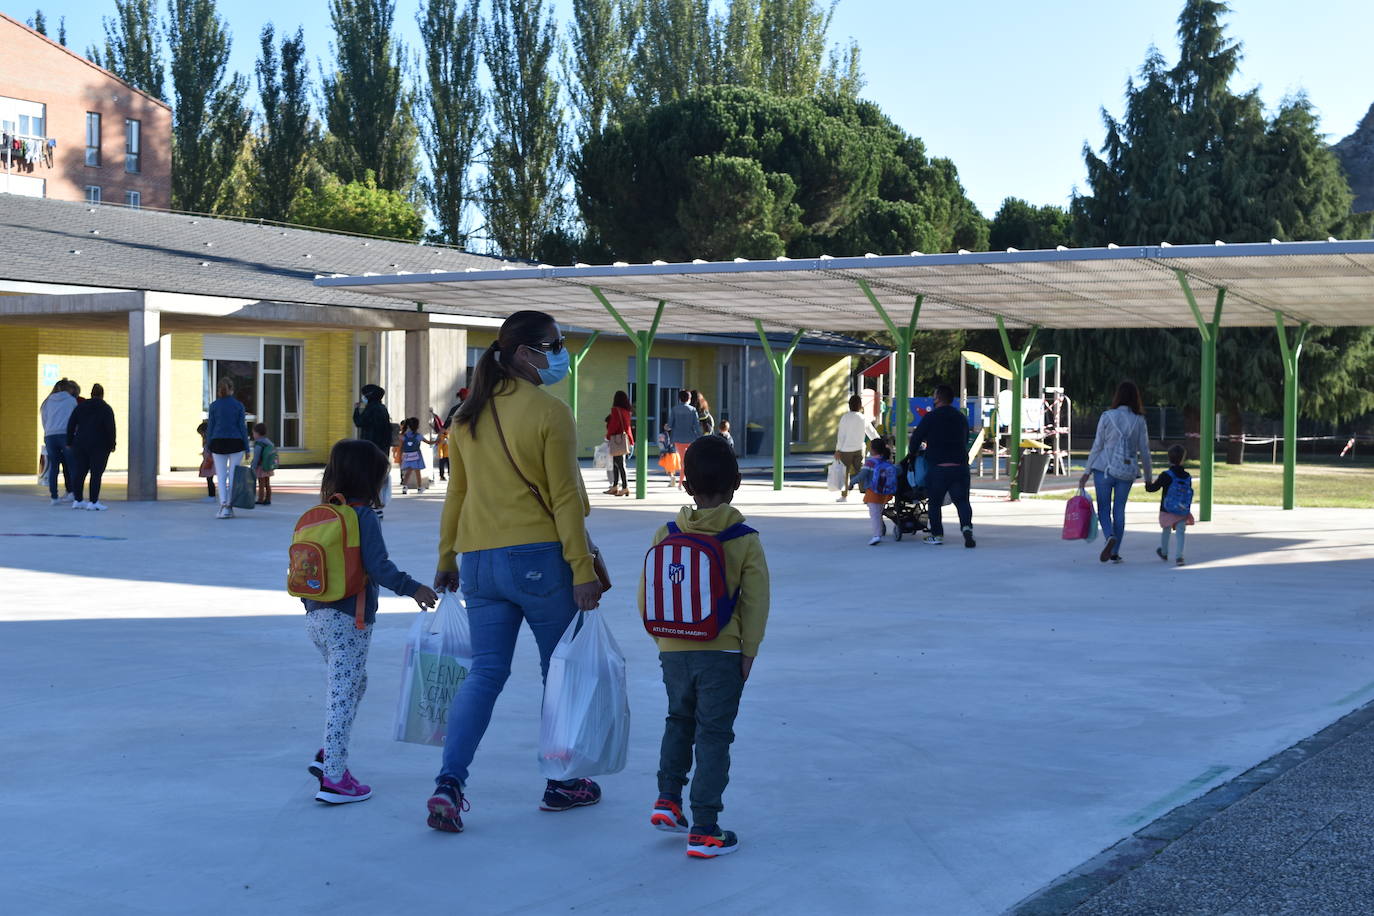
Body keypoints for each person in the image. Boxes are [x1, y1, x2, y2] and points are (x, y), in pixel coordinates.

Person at [428, 310, 605, 834]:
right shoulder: (550, 413)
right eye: (553, 345)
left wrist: (446, 557)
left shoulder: (465, 418)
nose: (559, 354)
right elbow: (566, 499)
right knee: (559, 674)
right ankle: (561, 782)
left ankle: (449, 783)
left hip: (478, 562)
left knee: (485, 674)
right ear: (526, 353)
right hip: (539, 562)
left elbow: (456, 493)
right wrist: (582, 568)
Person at [641, 435, 770, 858]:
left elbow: (647, 594)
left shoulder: (667, 531)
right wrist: (748, 651)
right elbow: (755, 602)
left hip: (672, 648)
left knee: (679, 719)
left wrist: (665, 640)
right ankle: (706, 828)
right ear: (736, 483)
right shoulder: (743, 538)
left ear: (685, 483)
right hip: (722, 651)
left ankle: (667, 799)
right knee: (714, 734)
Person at [303, 439, 438, 804]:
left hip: (317, 617)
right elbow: (379, 567)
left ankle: (328, 752)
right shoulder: (363, 517)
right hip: (351, 620)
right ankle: (334, 778)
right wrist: (414, 588)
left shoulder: (323, 512)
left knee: (353, 685)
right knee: (342, 694)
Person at [1079, 380, 1153, 564]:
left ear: (1117, 396)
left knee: (1103, 508)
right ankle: (1115, 551)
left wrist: (1087, 471)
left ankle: (1109, 536)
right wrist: (1149, 478)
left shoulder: (1107, 416)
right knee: (1119, 509)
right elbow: (1144, 450)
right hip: (1126, 472)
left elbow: (1098, 446)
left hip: (1103, 469)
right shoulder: (1139, 420)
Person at [908, 385, 976, 548]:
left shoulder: (931, 417)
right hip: (960, 466)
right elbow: (965, 439)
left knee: (935, 502)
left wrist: (914, 453)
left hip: (938, 467)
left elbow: (915, 440)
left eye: (934, 395)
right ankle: (967, 529)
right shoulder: (960, 417)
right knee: (962, 501)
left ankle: (937, 534)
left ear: (938, 398)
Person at [66, 383, 116, 511]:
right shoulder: (106, 408)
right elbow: (110, 428)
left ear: (91, 394)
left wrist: (69, 442)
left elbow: (71, 424)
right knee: (96, 474)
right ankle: (93, 502)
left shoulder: (80, 407)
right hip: (99, 445)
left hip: (80, 443)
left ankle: (78, 500)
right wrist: (112, 444)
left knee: (79, 472)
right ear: (102, 394)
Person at [206, 377, 250, 519]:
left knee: (221, 475)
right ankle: (230, 506)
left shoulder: (213, 406)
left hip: (218, 442)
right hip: (236, 442)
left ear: (219, 390)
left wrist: (207, 446)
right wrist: (247, 448)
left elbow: (210, 428)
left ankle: (224, 505)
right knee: (233, 476)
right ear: (232, 389)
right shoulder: (239, 406)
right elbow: (242, 428)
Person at [1145, 444, 1194, 566]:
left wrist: (1147, 482)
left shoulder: (1166, 475)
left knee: (1166, 529)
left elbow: (1152, 489)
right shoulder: (1187, 476)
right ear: (1183, 459)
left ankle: (1164, 552)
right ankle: (1179, 556)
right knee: (1180, 532)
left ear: (1169, 458)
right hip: (1182, 509)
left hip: (1167, 509)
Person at [353, 385, 393, 518]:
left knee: (369, 477)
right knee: (378, 477)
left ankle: (373, 506)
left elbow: (359, 422)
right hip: (382, 449)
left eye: (364, 395)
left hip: (369, 448)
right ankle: (378, 506)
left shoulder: (371, 409)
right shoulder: (383, 409)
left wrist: (357, 410)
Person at [834, 394, 880, 503]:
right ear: (860, 406)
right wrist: (879, 442)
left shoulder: (845, 417)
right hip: (859, 449)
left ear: (849, 405)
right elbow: (872, 433)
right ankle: (866, 495)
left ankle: (844, 496)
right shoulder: (863, 418)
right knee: (862, 472)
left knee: (845, 474)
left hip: (845, 450)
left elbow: (841, 435)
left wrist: (838, 449)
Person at [39, 378, 77, 505]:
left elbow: (44, 419)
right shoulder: (72, 401)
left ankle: (54, 497)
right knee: (70, 465)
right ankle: (72, 493)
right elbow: (74, 419)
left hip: (50, 435)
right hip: (65, 435)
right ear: (68, 388)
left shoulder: (48, 401)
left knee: (54, 466)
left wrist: (48, 431)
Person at [860, 438, 896, 546]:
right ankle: (880, 529)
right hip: (885, 492)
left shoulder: (870, 462)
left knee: (874, 514)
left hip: (873, 492)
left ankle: (877, 535)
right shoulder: (887, 461)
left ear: (873, 450)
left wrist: (851, 483)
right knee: (878, 511)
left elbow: (862, 475)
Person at [667, 390, 701, 489]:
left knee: (683, 461)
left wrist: (666, 427)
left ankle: (681, 482)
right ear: (689, 399)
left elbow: (670, 425)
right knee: (690, 461)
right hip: (691, 438)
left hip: (678, 438)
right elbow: (696, 426)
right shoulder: (693, 410)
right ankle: (686, 482)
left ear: (679, 399)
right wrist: (700, 437)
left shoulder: (674, 409)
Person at [604, 390, 634, 496]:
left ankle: (625, 487)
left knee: (620, 464)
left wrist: (608, 435)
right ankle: (615, 486)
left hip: (617, 440)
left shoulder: (616, 410)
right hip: (625, 439)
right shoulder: (627, 411)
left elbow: (614, 425)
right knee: (616, 463)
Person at [399, 417, 432, 494]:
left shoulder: (404, 435)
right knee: (417, 471)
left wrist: (401, 456)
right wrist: (437, 440)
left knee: (408, 471)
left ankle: (405, 487)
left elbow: (401, 447)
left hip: (407, 456)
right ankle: (420, 487)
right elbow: (429, 442)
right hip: (416, 456)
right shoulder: (418, 436)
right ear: (417, 426)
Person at [251, 423, 276, 506]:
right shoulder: (268, 442)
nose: (253, 435)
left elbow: (256, 457)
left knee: (261, 483)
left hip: (261, 467)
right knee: (267, 483)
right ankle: (268, 499)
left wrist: (253, 467)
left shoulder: (259, 444)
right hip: (268, 466)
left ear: (257, 433)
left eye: (253, 433)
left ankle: (260, 499)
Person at [196, 421, 217, 500]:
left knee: (209, 478)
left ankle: (211, 495)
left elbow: (209, 450)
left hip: (209, 461)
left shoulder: (208, 440)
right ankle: (211, 495)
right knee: (209, 478)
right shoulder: (209, 440)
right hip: (209, 460)